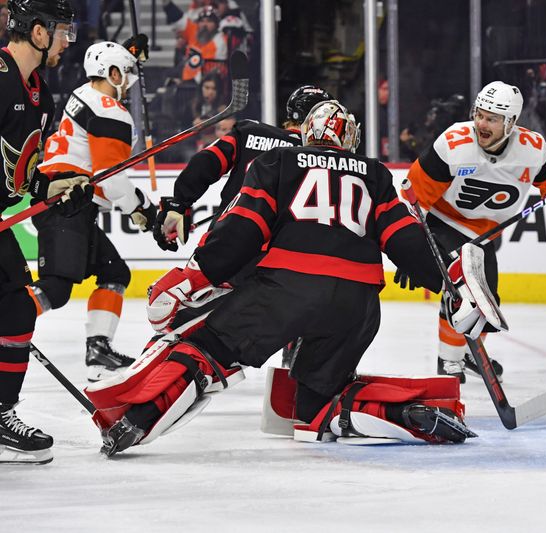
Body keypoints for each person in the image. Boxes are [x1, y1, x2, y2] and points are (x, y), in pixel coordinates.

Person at [89, 100, 481, 456]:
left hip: (285, 289)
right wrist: (449, 282)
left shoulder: (278, 162)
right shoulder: (375, 175)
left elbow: (243, 230)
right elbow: (405, 239)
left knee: (207, 350)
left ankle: (137, 422)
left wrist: (197, 274)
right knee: (314, 413)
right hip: (356, 304)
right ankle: (407, 412)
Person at [399, 81, 546, 383]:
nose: (482, 124)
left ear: (511, 123)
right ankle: (449, 361)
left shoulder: (533, 150)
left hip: (485, 234)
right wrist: (410, 247)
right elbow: (413, 196)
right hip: (443, 224)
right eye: (479, 114)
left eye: (492, 119)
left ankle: (470, 349)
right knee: (462, 292)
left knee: (487, 301)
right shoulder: (453, 144)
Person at [0, 0, 95, 465]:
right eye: (62, 32)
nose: (66, 41)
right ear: (38, 33)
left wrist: (62, 187)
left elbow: (26, 177)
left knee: (18, 309)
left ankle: (1, 414)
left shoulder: (42, 93)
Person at [32, 38, 157, 382]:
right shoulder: (109, 109)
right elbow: (111, 179)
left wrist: (127, 53)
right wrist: (143, 208)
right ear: (111, 72)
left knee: (115, 273)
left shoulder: (84, 93)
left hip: (71, 204)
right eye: (127, 72)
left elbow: (101, 175)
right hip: (66, 204)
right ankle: (10, 318)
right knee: (55, 289)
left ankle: (98, 347)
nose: (130, 79)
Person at [154, 84, 332, 254]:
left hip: (223, 244)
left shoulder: (247, 133)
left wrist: (179, 203)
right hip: (280, 256)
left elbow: (206, 161)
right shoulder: (324, 158)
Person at [163, 2, 227, 83]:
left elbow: (209, 71)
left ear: (216, 25)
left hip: (204, 83)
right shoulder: (194, 31)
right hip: (186, 77)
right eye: (202, 21)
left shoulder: (220, 42)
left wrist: (182, 81)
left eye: (209, 21)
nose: (204, 24)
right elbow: (178, 19)